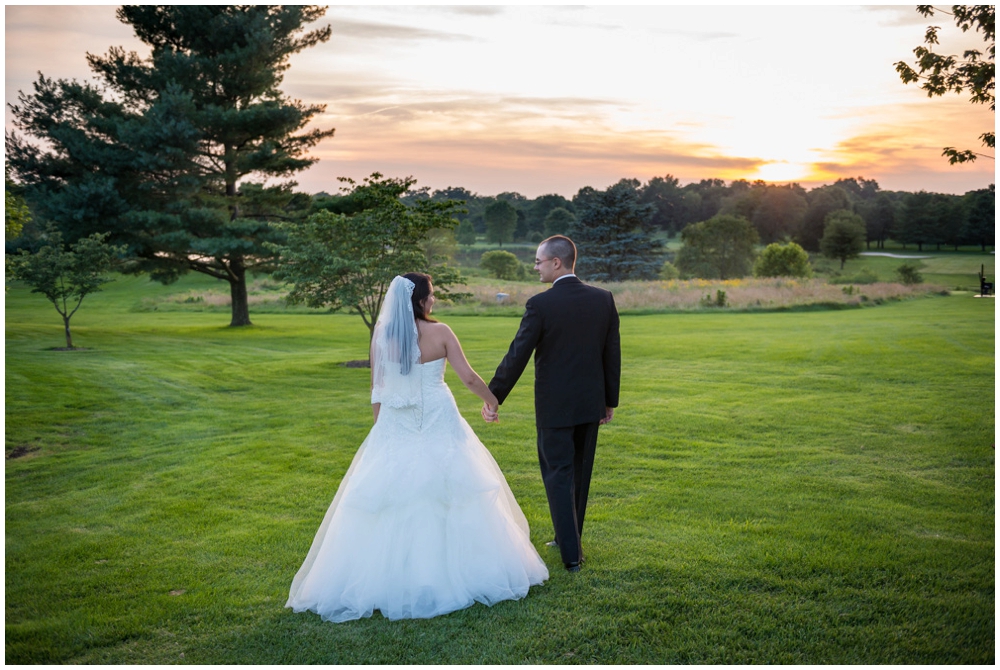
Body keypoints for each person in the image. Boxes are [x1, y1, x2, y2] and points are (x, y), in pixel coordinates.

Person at [286, 273, 548, 623]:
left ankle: (390, 577)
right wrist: (491, 401)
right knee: (452, 485)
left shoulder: (382, 335)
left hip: (396, 418)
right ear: (421, 300)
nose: (435, 300)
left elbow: (377, 388)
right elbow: (468, 377)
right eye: (432, 294)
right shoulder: (440, 332)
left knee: (390, 494)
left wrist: (380, 428)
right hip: (439, 415)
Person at [483, 236, 621, 573]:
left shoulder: (540, 305)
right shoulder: (603, 299)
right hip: (590, 403)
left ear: (556, 262)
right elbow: (612, 354)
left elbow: (518, 354)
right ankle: (567, 537)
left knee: (558, 474)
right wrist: (609, 400)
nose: (535, 267)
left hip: (555, 407)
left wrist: (493, 396)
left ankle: (571, 555)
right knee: (578, 473)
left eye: (538, 261)